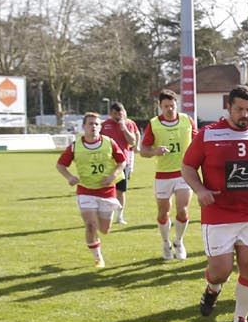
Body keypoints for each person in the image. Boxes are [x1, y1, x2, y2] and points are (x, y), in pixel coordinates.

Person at [181, 86, 248, 322]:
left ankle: (240, 321)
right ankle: (212, 289)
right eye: (239, 109)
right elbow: (187, 166)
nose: (245, 114)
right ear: (228, 107)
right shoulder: (208, 135)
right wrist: (199, 189)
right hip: (218, 215)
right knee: (221, 271)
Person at [55, 112, 127, 267]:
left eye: (96, 124)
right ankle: (98, 257)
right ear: (83, 127)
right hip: (86, 190)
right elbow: (60, 165)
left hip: (107, 191)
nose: (93, 127)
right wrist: (70, 177)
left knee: (104, 229)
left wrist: (113, 175)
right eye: (90, 124)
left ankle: (98, 240)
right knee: (90, 225)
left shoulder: (109, 143)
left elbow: (122, 161)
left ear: (100, 127)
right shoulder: (75, 146)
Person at [137, 89, 198, 260]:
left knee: (183, 210)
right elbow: (143, 151)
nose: (170, 109)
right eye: (166, 106)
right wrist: (155, 151)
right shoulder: (154, 124)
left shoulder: (187, 121)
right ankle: (165, 243)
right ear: (159, 107)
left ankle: (179, 241)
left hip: (183, 173)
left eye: (172, 106)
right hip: (163, 175)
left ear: (176, 104)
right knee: (163, 212)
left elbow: (197, 142)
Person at [100, 102, 140, 225]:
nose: (117, 116)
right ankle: (106, 215)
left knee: (120, 191)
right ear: (111, 114)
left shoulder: (128, 124)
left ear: (124, 112)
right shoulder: (104, 125)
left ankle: (120, 216)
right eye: (114, 113)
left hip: (123, 162)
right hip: (107, 163)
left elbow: (132, 141)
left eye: (119, 113)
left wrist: (124, 128)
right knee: (107, 189)